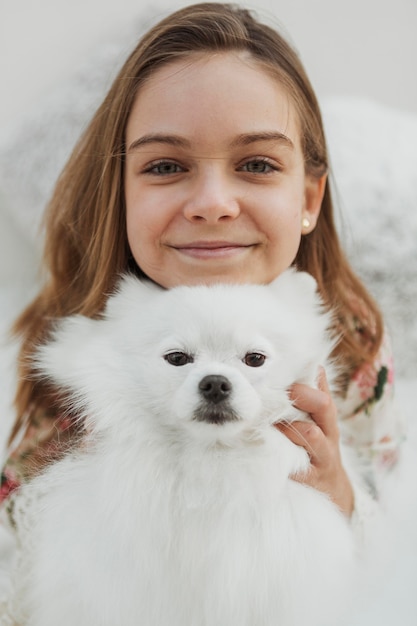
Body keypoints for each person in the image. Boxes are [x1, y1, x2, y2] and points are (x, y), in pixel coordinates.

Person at [0, 3, 403, 534]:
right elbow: (15, 542)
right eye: (166, 166)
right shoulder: (77, 337)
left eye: (256, 164)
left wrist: (342, 499)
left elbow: (389, 518)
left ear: (308, 199)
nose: (212, 204)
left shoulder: (348, 336)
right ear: (118, 197)